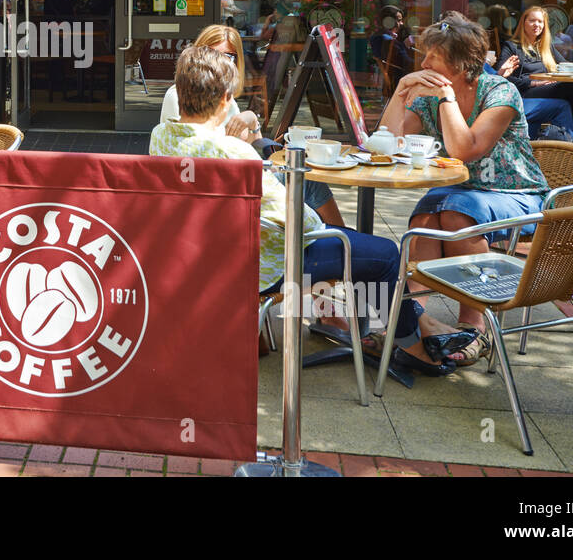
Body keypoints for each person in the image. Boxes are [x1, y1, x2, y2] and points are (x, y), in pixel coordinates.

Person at [152, 44, 446, 375]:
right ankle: (412, 348)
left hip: (205, 259)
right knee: (386, 254)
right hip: (265, 266)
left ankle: (378, 329)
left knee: (355, 241)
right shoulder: (234, 152)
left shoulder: (162, 136)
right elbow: (302, 222)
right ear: (224, 100)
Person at [379, 12, 550, 366]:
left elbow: (465, 149)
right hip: (462, 194)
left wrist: (446, 98)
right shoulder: (428, 96)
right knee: (427, 214)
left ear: (459, 63)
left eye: (433, 58)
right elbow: (386, 144)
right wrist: (401, 92)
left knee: (457, 212)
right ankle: (408, 321)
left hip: (515, 195)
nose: (423, 63)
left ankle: (475, 328)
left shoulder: (499, 92)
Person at [159, 24, 346, 227]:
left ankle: (339, 238)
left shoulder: (224, 102)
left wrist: (251, 119)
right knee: (305, 180)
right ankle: (340, 238)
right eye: (212, 53)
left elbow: (251, 144)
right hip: (219, 193)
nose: (219, 62)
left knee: (300, 178)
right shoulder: (178, 96)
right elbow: (193, 154)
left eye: (228, 56)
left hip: (228, 185)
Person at [496, 5, 573, 142]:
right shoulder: (512, 46)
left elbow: (565, 66)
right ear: (523, 23)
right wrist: (533, 83)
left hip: (548, 87)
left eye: (540, 21)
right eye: (532, 21)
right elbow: (505, 78)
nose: (536, 24)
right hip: (526, 90)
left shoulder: (546, 46)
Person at [369, 4, 413, 95]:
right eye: (399, 20)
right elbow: (408, 63)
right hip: (399, 84)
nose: (401, 24)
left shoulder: (378, 37)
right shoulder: (387, 40)